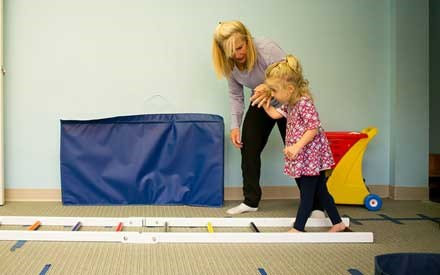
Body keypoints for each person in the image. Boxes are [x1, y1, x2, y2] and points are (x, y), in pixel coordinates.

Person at [212, 20, 324, 216]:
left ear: (247, 39)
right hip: (262, 101)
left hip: (288, 101)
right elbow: (236, 96)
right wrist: (235, 125)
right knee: (249, 148)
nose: (238, 54)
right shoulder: (230, 65)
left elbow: (289, 75)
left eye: (240, 47)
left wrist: (268, 86)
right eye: (232, 51)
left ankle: (316, 205)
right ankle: (251, 201)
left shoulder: (266, 48)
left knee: (300, 151)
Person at [255, 54, 348, 232]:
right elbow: (276, 115)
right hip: (305, 155)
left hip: (311, 155)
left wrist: (296, 146)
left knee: (307, 193)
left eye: (274, 90)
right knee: (321, 191)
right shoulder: (290, 103)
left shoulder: (304, 103)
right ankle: (339, 224)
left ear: (289, 88)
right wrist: (267, 105)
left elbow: (313, 128)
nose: (272, 94)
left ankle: (299, 227)